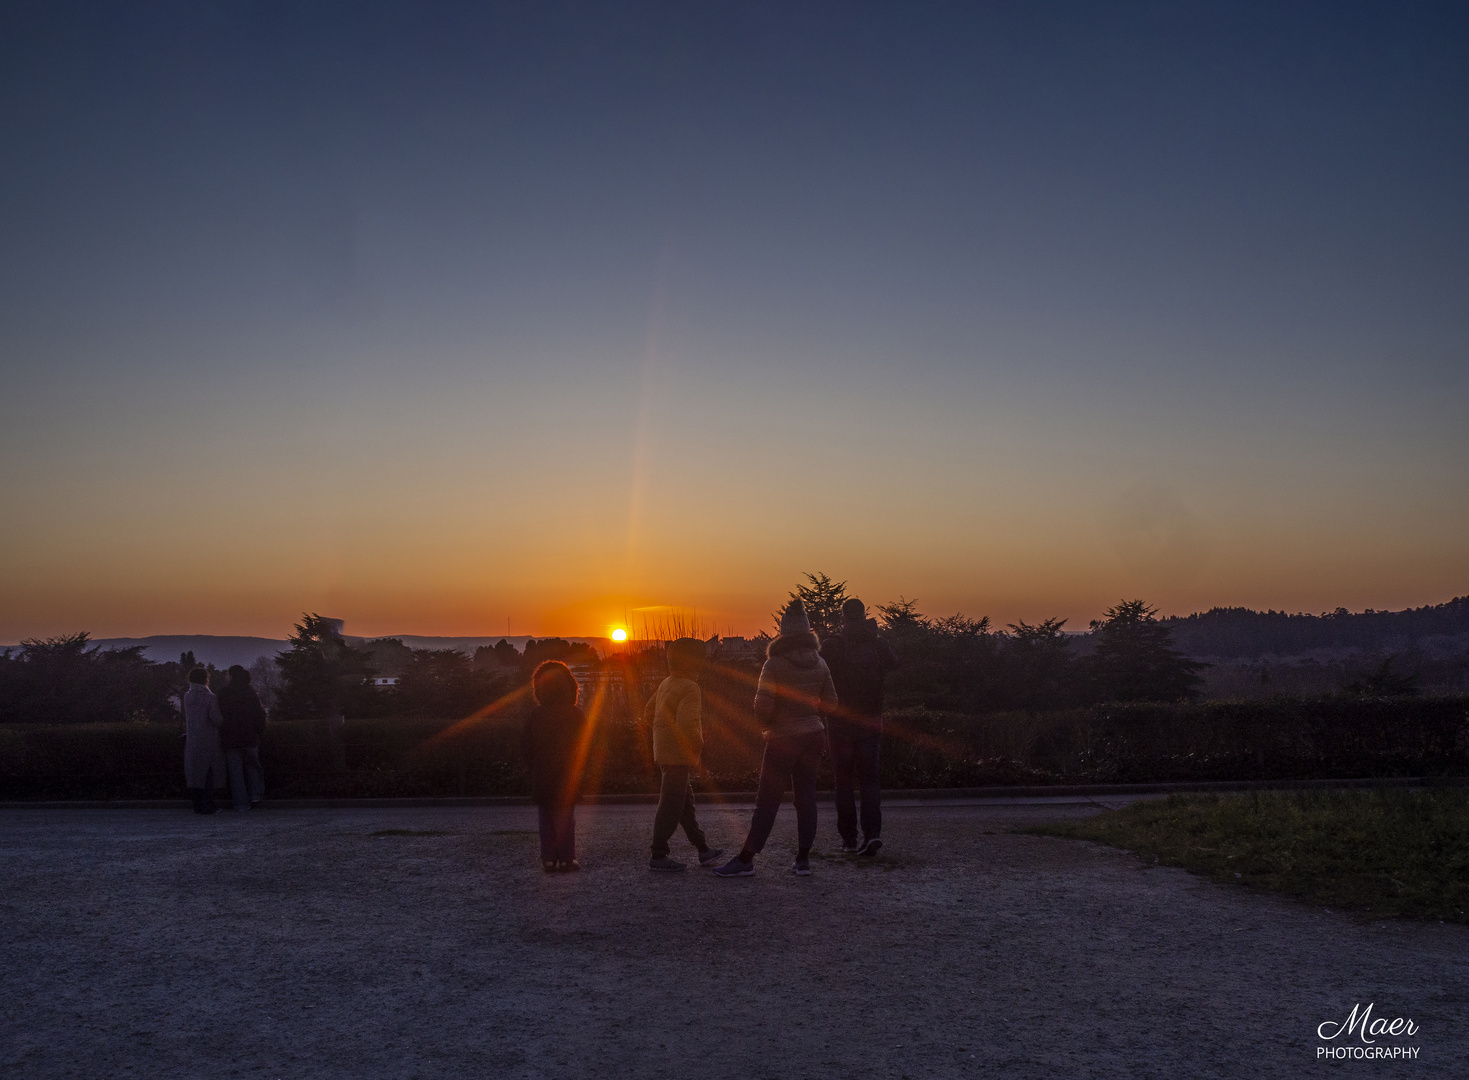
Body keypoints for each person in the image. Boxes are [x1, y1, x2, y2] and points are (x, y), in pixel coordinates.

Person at [715, 600, 837, 878]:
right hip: (814, 737)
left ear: (783, 633)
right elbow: (832, 703)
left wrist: (768, 724)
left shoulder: (774, 664)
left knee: (767, 801)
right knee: (806, 799)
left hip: (783, 739)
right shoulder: (821, 663)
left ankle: (746, 859)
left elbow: (762, 708)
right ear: (807, 632)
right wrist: (811, 713)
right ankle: (803, 860)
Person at [821, 597, 898, 856]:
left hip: (840, 720)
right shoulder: (877, 644)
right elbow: (895, 664)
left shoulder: (832, 645)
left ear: (843, 616)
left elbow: (819, 672)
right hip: (871, 720)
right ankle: (872, 834)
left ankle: (849, 839)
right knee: (870, 780)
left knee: (843, 782)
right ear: (864, 615)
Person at [644, 638, 724, 871]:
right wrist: (697, 746)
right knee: (671, 804)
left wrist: (663, 735)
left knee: (684, 804)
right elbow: (689, 726)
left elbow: (649, 713)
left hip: (665, 753)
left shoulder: (666, 683)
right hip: (678, 756)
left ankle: (703, 849)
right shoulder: (690, 687)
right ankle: (658, 855)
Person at [522, 660, 590, 872]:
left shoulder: (536, 715)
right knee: (566, 818)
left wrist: (532, 767)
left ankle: (548, 859)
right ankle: (567, 859)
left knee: (545, 816)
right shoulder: (576, 714)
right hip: (568, 771)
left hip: (542, 772)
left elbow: (526, 747)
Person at [218, 665, 268, 811]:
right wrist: (258, 731)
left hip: (230, 738)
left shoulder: (223, 693)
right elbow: (259, 714)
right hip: (250, 737)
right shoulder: (250, 692)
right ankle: (256, 796)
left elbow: (219, 716)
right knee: (253, 766)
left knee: (235, 772)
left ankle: (241, 803)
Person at [182, 667, 227, 814]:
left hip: (193, 738)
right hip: (209, 739)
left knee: (195, 772)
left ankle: (197, 804)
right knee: (208, 773)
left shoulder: (187, 696)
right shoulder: (210, 697)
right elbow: (217, 719)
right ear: (205, 679)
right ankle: (208, 804)